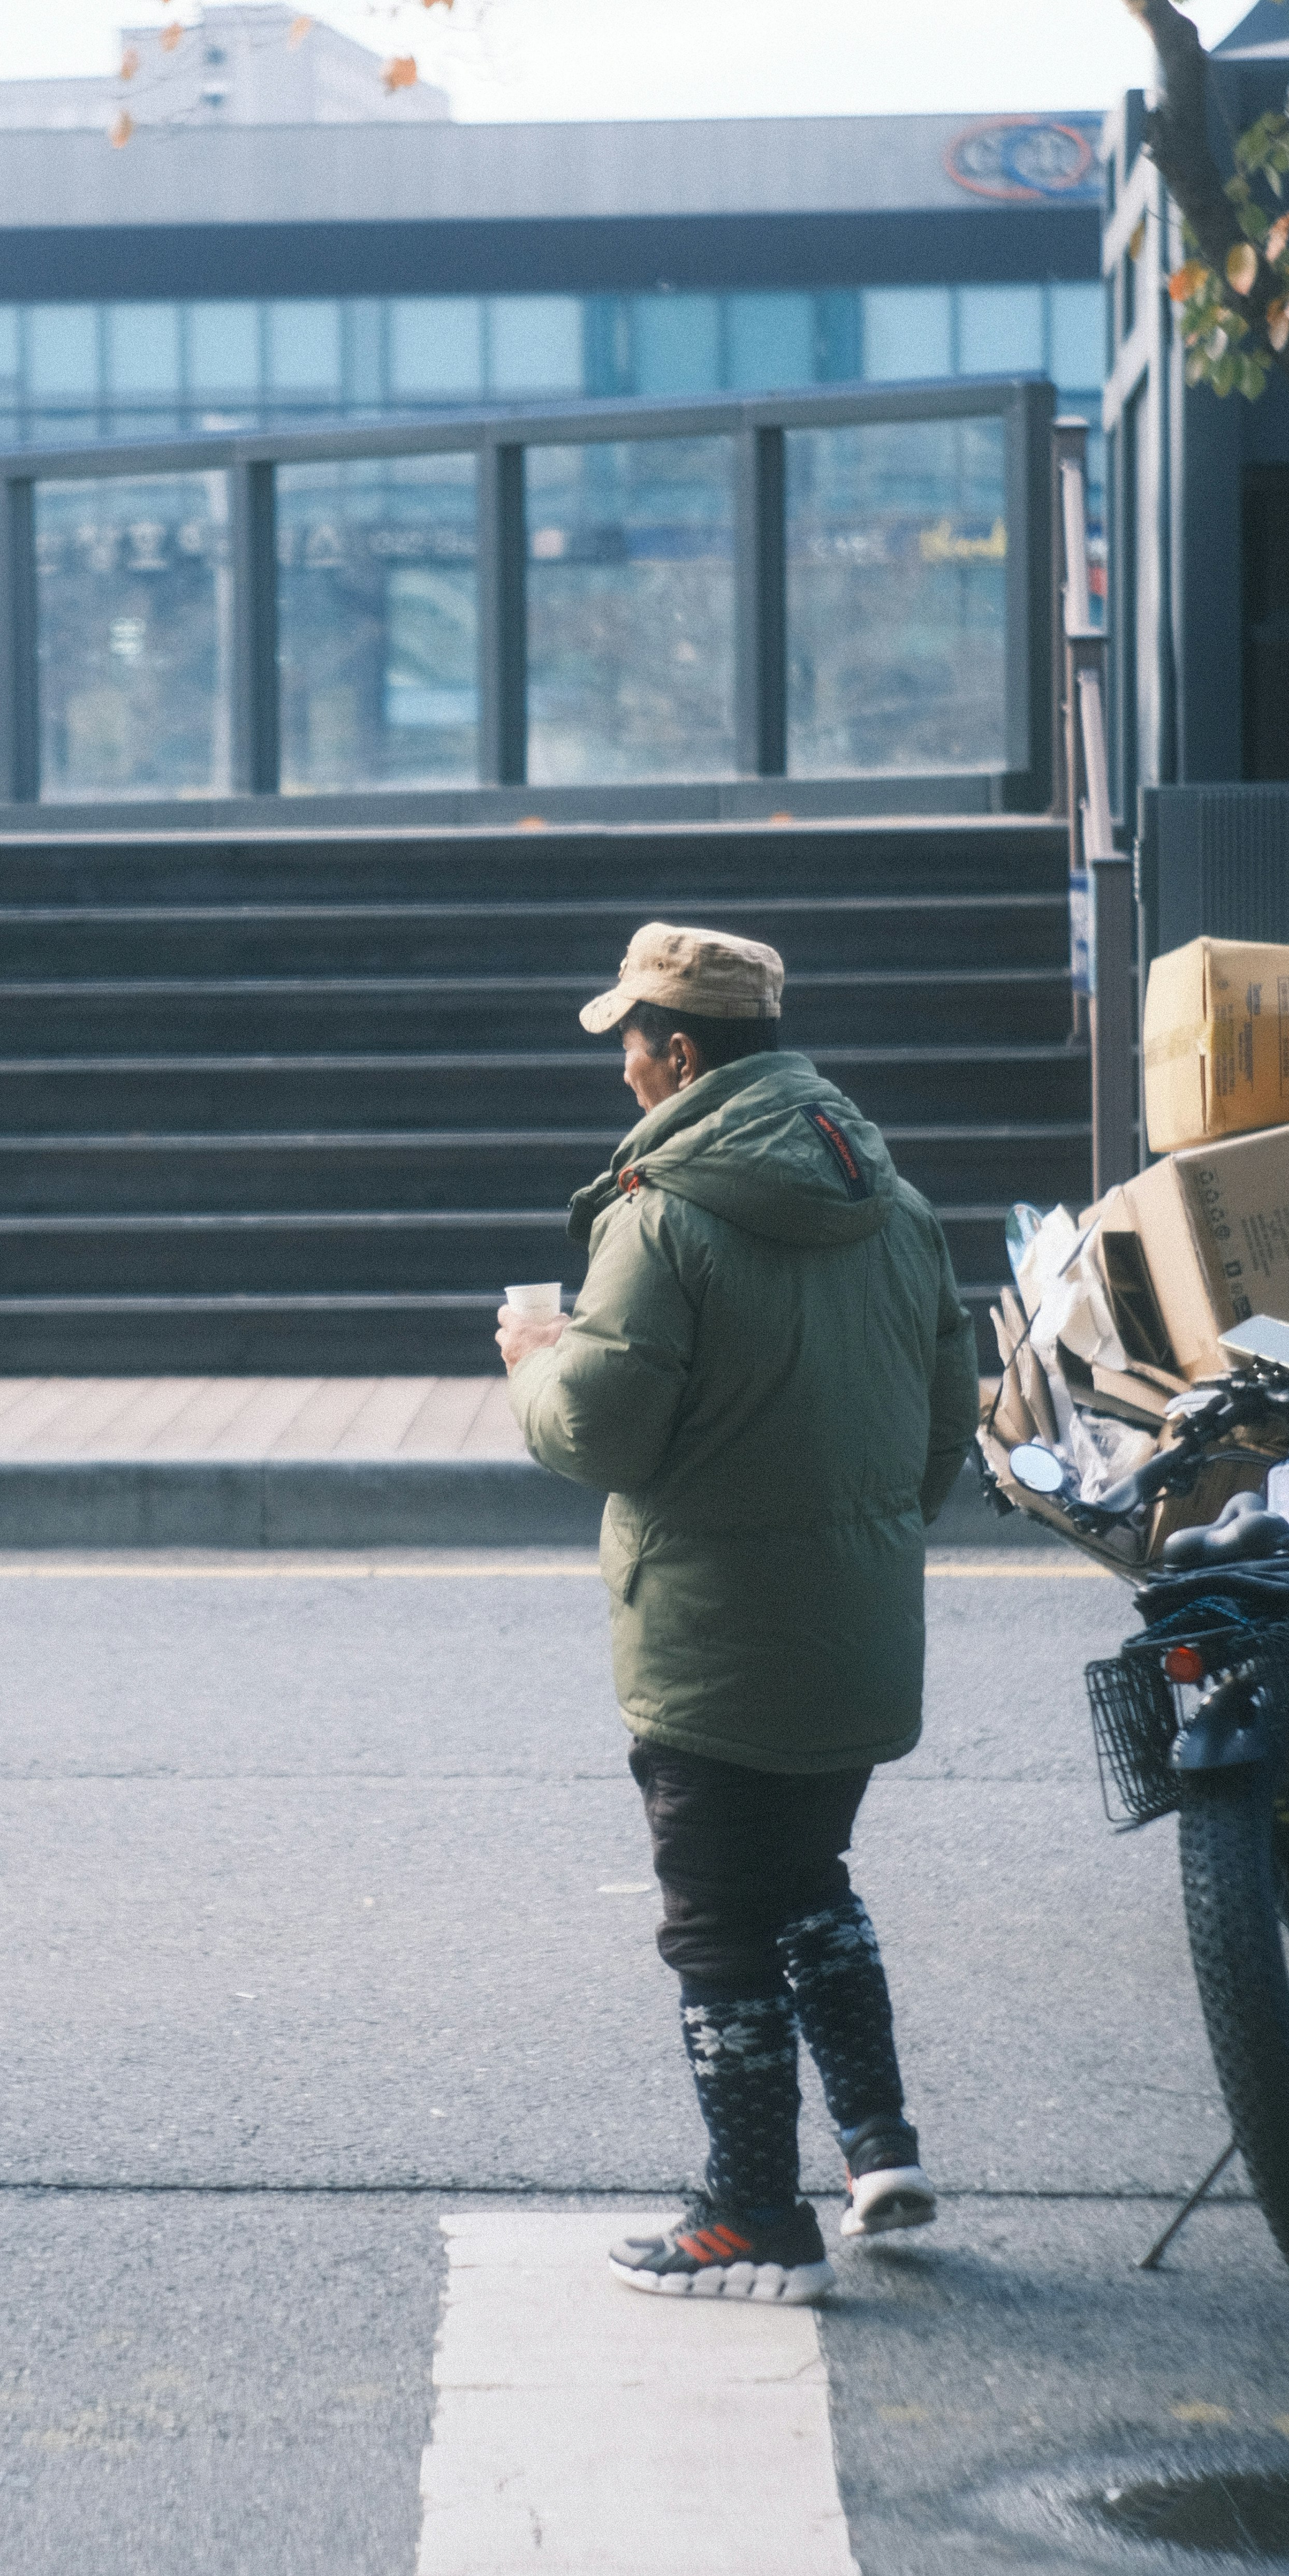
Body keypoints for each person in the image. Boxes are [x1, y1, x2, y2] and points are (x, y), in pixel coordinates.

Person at [497, 921, 979, 2305]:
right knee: (807, 1879)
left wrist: (536, 1362)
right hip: (859, 1629)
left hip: (713, 1639)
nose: (624, 1072)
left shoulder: (668, 1216)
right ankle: (879, 2145)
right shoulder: (891, 1200)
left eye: (631, 1045)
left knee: (717, 1922)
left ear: (683, 1052)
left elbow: (596, 1430)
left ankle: (754, 2214)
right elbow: (947, 1418)